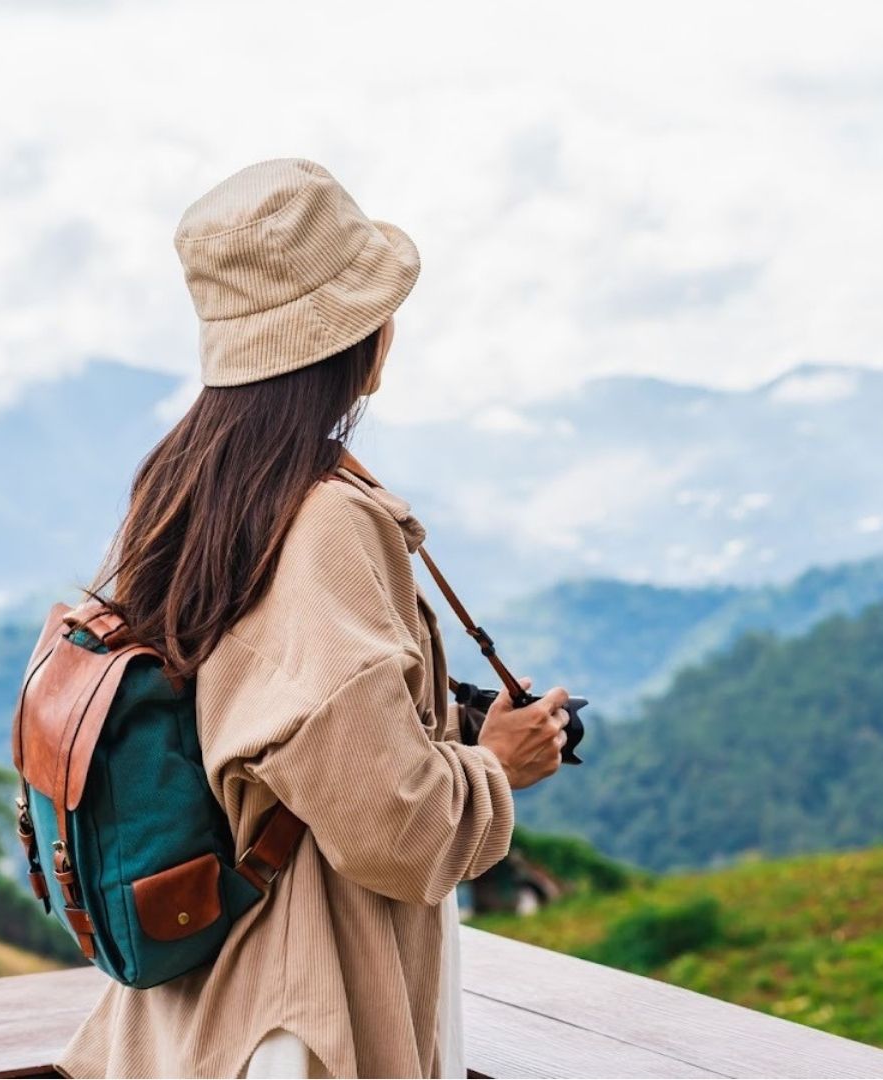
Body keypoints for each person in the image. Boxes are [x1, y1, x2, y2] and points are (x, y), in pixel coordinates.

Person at [52, 158, 570, 1079]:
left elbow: (270, 717)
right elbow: (393, 832)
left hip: (195, 1004)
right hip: (303, 1009)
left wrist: (437, 725)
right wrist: (496, 767)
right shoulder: (324, 518)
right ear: (355, 340)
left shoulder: (182, 490)